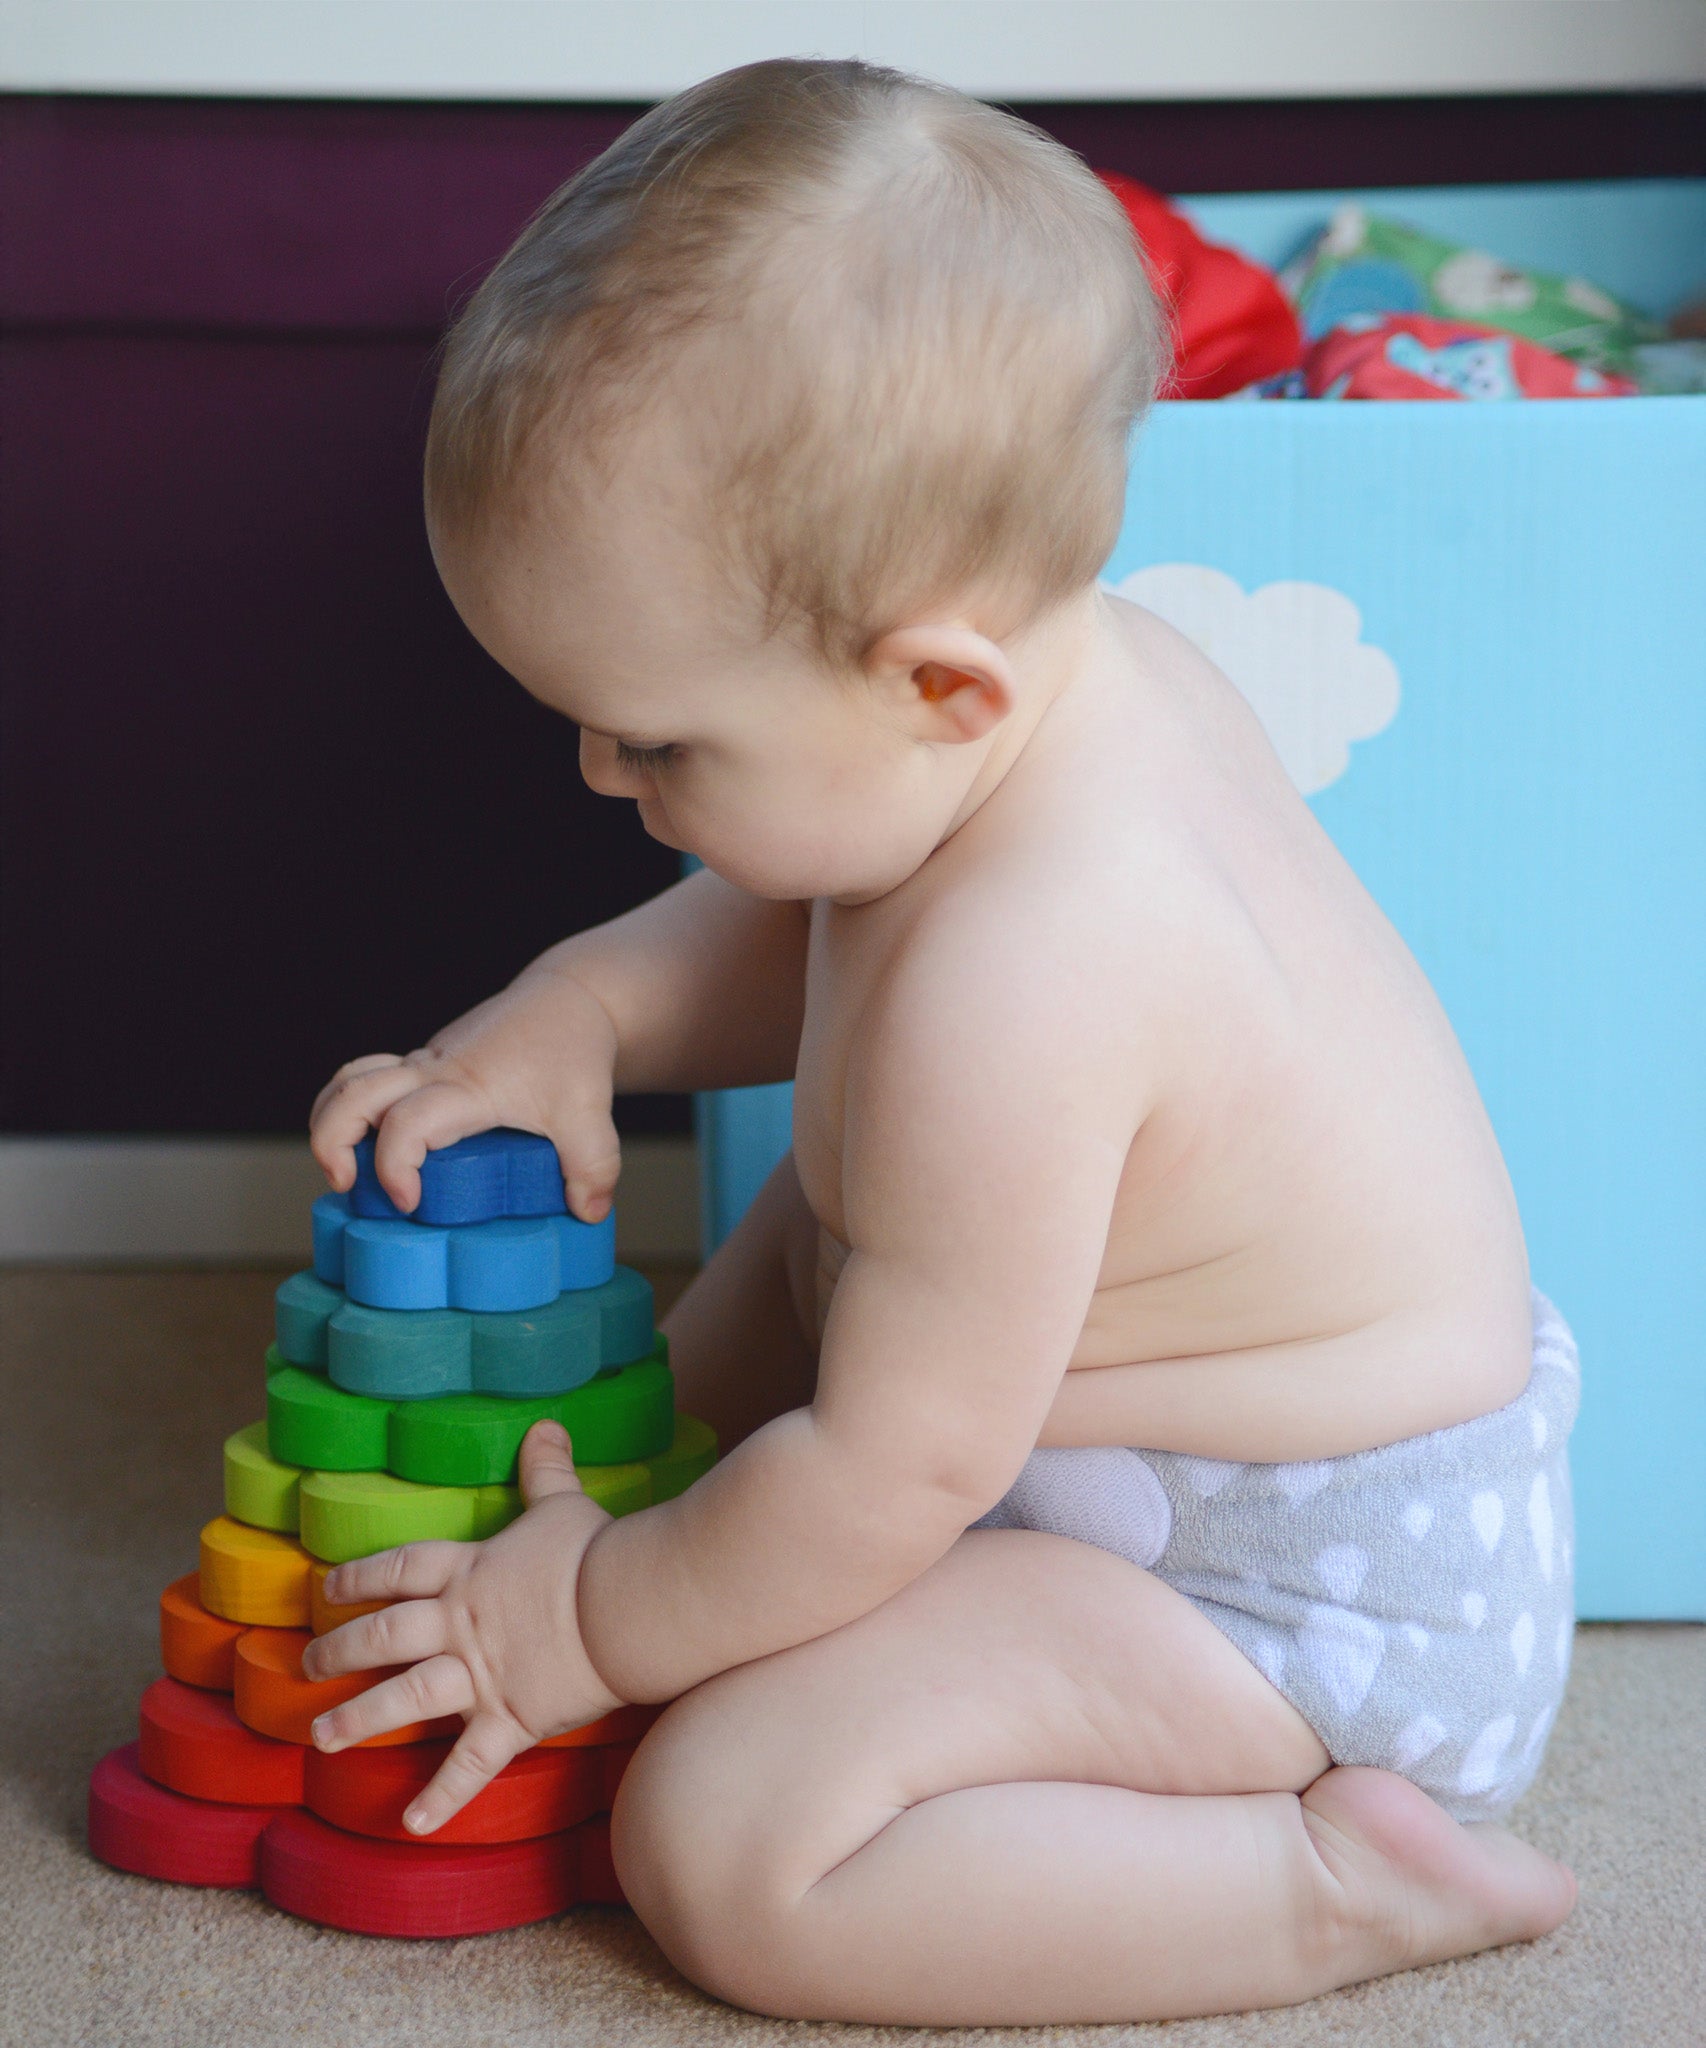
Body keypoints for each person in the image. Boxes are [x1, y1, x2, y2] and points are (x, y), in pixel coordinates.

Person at [300, 58, 1578, 2025]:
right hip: (1084, 1416)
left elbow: (891, 1464)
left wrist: (590, 1619)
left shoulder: (1031, 982)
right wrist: (586, 1008)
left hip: (1276, 1590)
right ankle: (676, 1533)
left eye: (656, 741)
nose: (599, 770)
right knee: (778, 1286)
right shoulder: (1052, 691)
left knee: (732, 1832)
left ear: (934, 678)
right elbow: (809, 896)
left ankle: (1330, 1882)